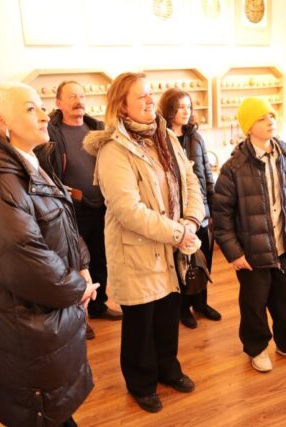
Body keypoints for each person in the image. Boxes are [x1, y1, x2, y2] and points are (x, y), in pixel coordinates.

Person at [0, 82, 98, 427]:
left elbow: (64, 221)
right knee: (40, 410)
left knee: (56, 409)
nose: (45, 116)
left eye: (41, 106)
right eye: (31, 109)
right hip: (26, 323)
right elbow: (25, 261)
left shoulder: (30, 162)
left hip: (48, 315)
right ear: (2, 121)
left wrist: (83, 265)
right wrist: (77, 288)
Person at [83, 72, 204, 413]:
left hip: (172, 245)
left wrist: (192, 220)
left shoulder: (166, 138)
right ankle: (141, 382)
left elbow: (191, 182)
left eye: (152, 94)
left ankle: (168, 369)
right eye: (141, 96)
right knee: (141, 322)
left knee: (167, 315)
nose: (151, 100)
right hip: (137, 251)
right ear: (122, 107)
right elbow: (128, 210)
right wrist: (179, 233)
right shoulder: (113, 150)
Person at [213, 97, 286, 373]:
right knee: (254, 304)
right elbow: (221, 216)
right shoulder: (234, 167)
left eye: (271, 115)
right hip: (252, 251)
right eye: (261, 117)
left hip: (283, 246)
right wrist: (234, 253)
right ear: (248, 127)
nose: (270, 120)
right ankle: (256, 348)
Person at [35, 80, 121, 342]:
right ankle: (78, 317)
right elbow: (44, 173)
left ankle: (98, 305)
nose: (78, 101)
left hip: (101, 206)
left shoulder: (97, 129)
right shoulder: (51, 133)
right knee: (74, 264)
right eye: (72, 96)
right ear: (58, 103)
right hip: (71, 210)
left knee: (100, 259)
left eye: (82, 95)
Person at [158, 88, 221, 329]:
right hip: (176, 216)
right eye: (180, 107)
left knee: (203, 259)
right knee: (182, 262)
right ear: (169, 110)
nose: (186, 111)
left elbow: (206, 175)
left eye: (188, 107)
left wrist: (212, 209)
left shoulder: (196, 137)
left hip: (201, 211)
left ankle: (201, 304)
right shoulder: (160, 138)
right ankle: (183, 309)